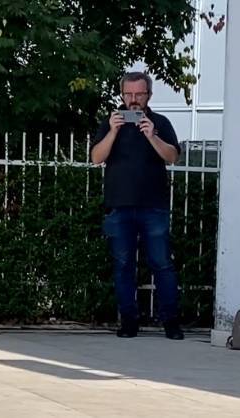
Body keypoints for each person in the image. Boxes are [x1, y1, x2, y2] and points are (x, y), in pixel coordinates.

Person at [91, 71, 185, 340]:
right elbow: (96, 157)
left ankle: (171, 322)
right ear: (122, 95)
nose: (133, 100)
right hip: (119, 207)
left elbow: (173, 157)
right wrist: (112, 131)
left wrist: (152, 136)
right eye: (128, 94)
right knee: (123, 266)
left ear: (149, 95)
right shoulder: (111, 122)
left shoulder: (160, 123)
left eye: (139, 94)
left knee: (162, 264)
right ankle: (128, 322)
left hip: (153, 206)